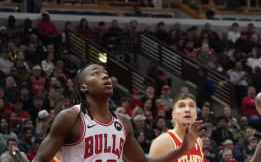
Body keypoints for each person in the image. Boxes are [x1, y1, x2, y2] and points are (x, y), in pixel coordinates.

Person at [33, 64, 204, 162]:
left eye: (106, 74)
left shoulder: (123, 122)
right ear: (83, 87)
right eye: (96, 74)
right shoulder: (70, 117)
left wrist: (183, 149)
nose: (105, 77)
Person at [149, 92, 203, 162]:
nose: (187, 110)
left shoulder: (199, 141)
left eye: (191, 106)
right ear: (173, 114)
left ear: (195, 114)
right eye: (181, 106)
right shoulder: (162, 141)